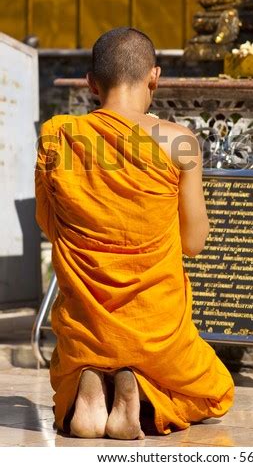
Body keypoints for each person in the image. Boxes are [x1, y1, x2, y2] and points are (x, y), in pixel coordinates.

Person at [35, 27, 234, 440]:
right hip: (155, 326)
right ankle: (136, 383)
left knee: (90, 344)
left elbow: (48, 225)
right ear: (154, 78)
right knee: (214, 391)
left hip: (86, 320)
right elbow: (194, 243)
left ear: (91, 84)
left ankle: (92, 378)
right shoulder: (178, 142)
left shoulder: (58, 137)